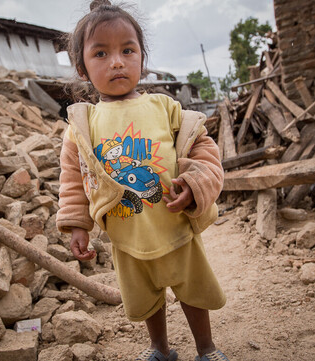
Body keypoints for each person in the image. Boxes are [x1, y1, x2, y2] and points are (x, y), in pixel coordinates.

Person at [56, 1, 229, 360]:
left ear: (142, 60)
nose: (116, 61)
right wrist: (77, 224)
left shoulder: (164, 108)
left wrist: (195, 185)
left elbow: (204, 151)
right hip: (126, 235)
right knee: (147, 298)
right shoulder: (82, 126)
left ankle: (207, 349)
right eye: (101, 53)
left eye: (127, 50)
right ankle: (161, 349)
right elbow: (72, 178)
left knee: (192, 291)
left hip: (174, 225)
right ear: (82, 68)